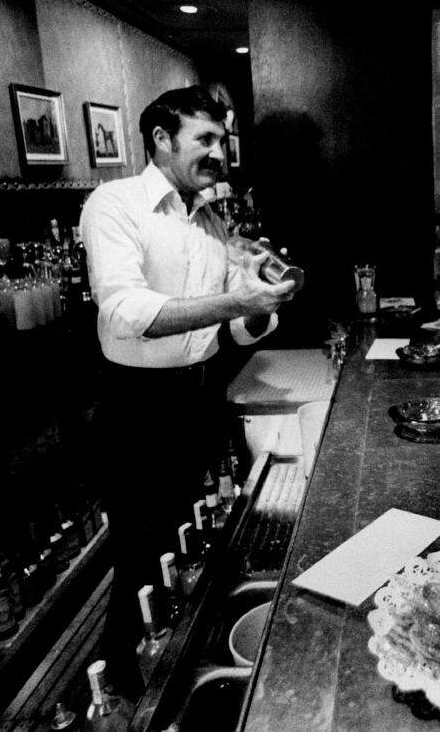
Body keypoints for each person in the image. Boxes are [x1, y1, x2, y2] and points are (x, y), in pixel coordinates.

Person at [79, 86, 295, 693]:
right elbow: (127, 312)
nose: (217, 153)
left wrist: (262, 300)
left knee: (192, 543)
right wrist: (236, 301)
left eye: (222, 140)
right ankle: (123, 689)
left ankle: (177, 670)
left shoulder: (210, 222)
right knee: (140, 559)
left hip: (201, 398)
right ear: (161, 140)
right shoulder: (115, 204)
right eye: (204, 139)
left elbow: (238, 329)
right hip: (138, 406)